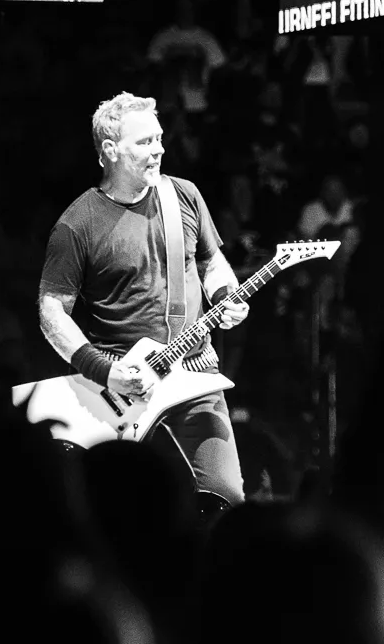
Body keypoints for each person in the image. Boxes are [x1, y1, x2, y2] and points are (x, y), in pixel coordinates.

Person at [38, 92, 250, 510]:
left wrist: (226, 295)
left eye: (159, 139)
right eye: (145, 142)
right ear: (110, 150)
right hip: (121, 385)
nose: (159, 150)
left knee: (227, 500)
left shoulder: (184, 195)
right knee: (118, 512)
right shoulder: (77, 224)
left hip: (195, 372)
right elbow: (51, 310)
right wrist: (105, 371)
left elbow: (211, 263)